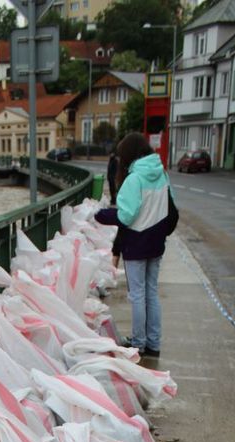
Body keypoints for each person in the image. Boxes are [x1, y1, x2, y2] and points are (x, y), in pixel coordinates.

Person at [95, 132, 178, 359]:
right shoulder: (162, 175)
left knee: (137, 295)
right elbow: (171, 208)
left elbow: (127, 216)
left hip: (136, 243)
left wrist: (102, 215)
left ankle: (139, 343)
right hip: (156, 242)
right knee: (151, 293)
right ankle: (153, 343)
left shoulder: (134, 179)